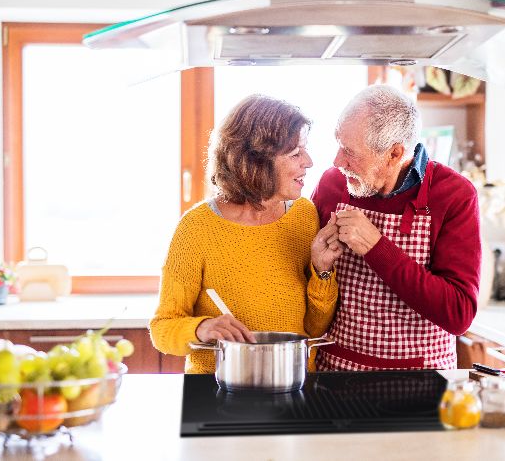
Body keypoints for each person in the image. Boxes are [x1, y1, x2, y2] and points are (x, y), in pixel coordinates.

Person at [150, 94, 343, 374]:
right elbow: (162, 329)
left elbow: (313, 328)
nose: (309, 161)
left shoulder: (304, 215)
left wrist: (322, 271)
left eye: (305, 149)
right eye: (295, 153)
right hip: (216, 390)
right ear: (255, 163)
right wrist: (202, 328)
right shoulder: (197, 227)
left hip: (290, 383)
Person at [312, 85, 481, 371]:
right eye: (339, 145)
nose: (337, 161)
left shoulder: (454, 195)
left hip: (422, 382)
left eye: (350, 152)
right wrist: (319, 267)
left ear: (394, 154)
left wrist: (377, 248)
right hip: (337, 376)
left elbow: (459, 313)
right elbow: (306, 282)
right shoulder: (333, 184)